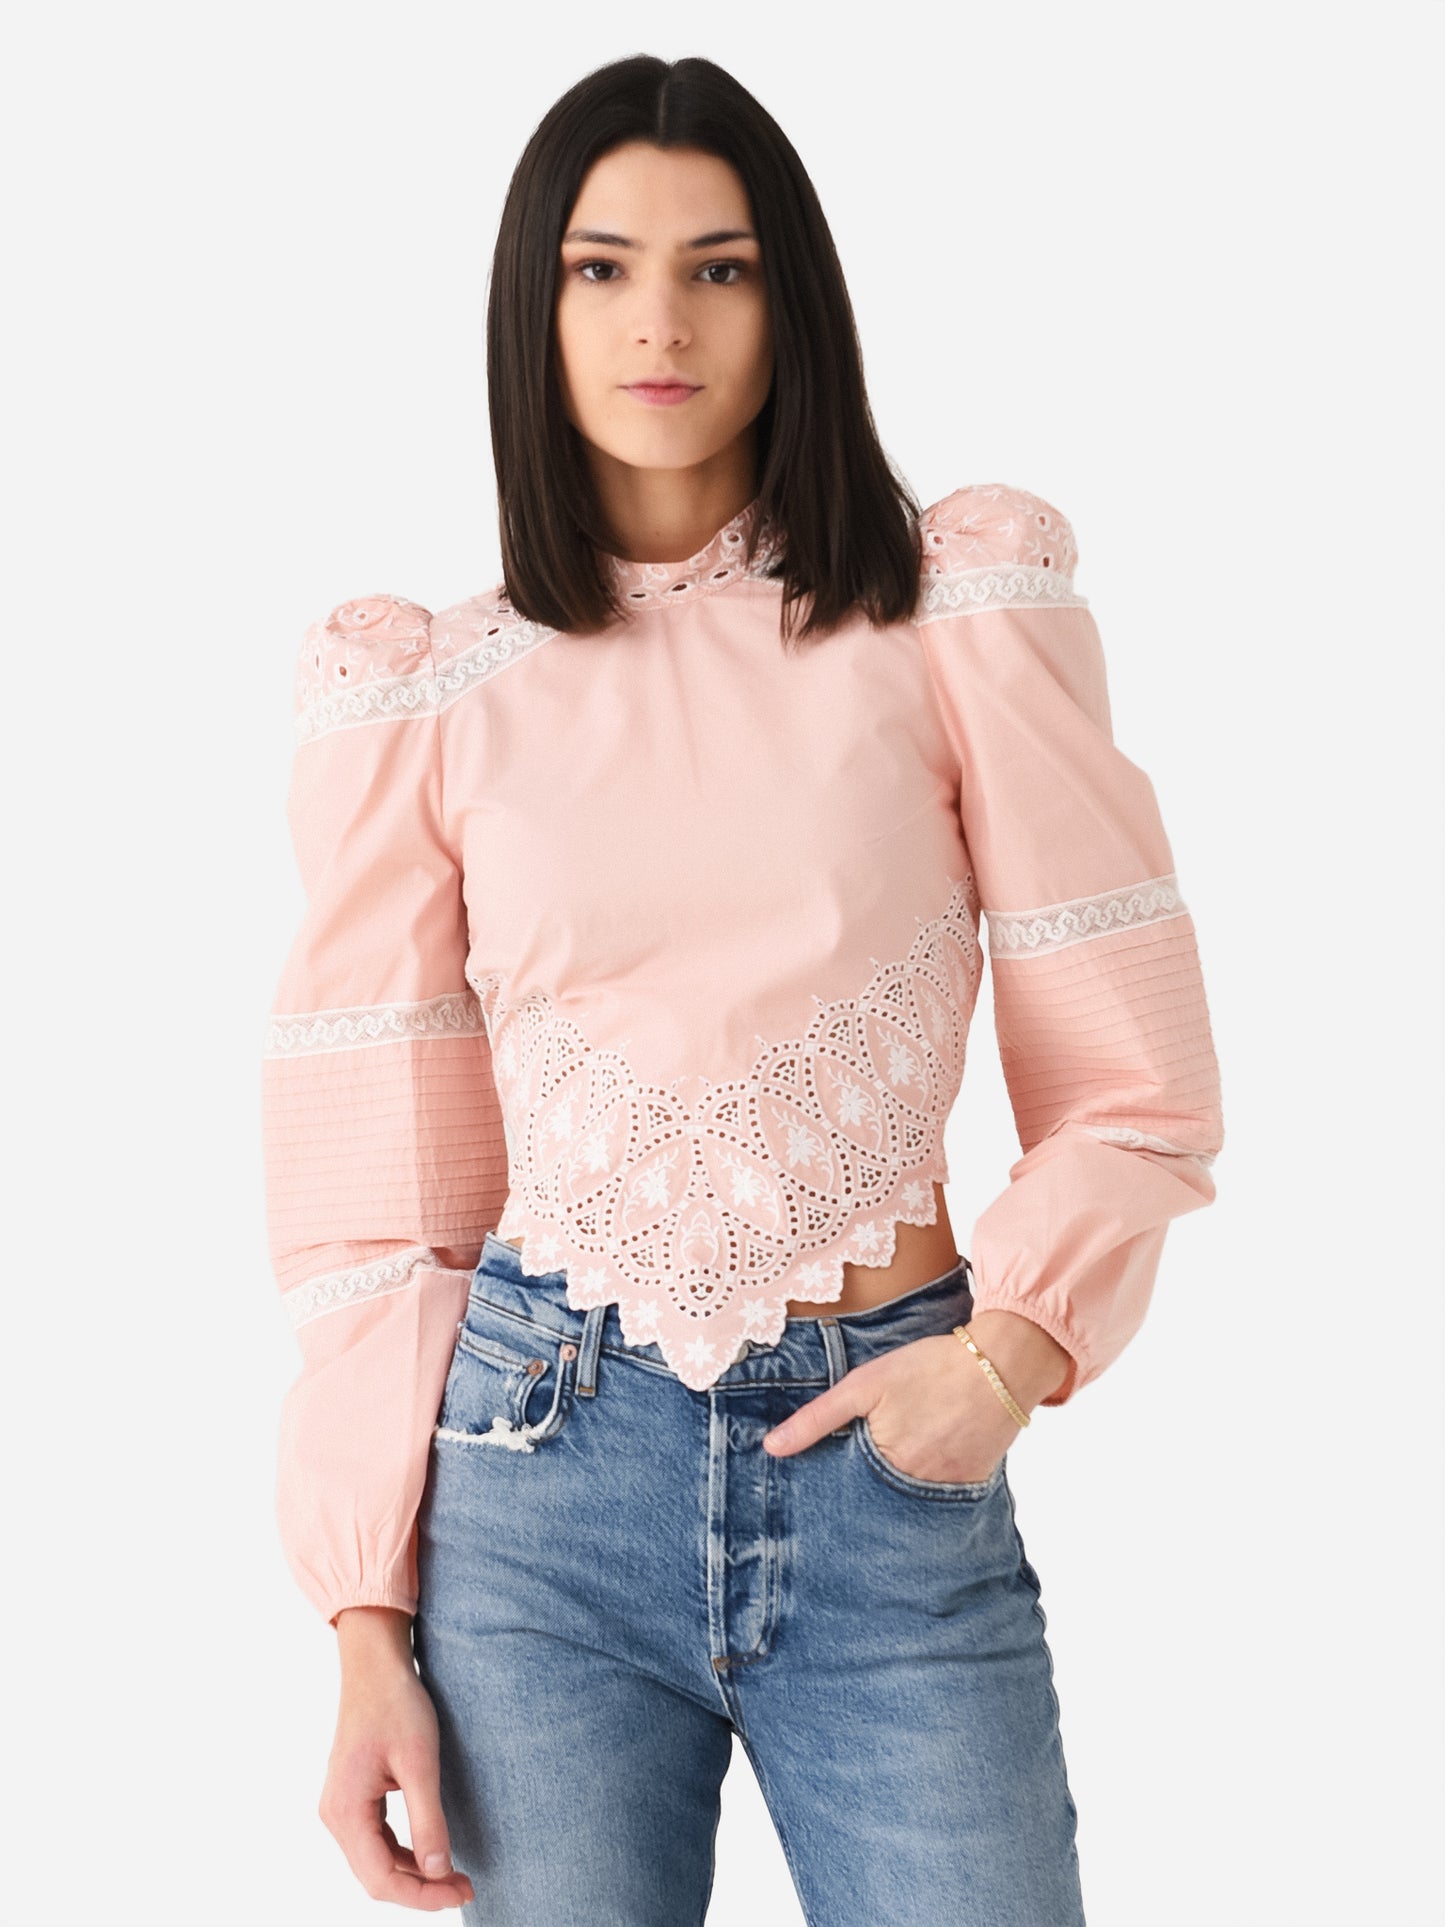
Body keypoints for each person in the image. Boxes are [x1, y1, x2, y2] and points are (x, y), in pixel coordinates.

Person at [261, 52, 1224, 1926]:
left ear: (794, 302)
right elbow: (375, 1220)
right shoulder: (421, 701)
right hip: (534, 1492)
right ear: (533, 306)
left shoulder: (952, 619)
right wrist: (366, 1624)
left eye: (720, 267)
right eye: (600, 269)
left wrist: (1006, 1360)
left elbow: (1133, 1088)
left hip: (890, 1463)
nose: (661, 323)